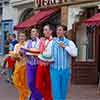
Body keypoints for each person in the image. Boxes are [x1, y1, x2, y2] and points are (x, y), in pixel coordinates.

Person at [50, 25, 77, 100]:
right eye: (57, 30)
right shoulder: (52, 42)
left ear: (64, 31)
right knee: (56, 91)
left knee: (63, 91)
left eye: (60, 30)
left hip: (65, 70)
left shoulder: (69, 42)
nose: (58, 32)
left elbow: (75, 54)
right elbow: (47, 54)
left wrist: (65, 47)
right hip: (54, 70)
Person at [24, 28, 43, 100]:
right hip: (29, 65)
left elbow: (42, 52)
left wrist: (36, 53)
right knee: (30, 83)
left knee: (37, 83)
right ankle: (39, 97)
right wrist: (23, 52)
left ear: (37, 34)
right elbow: (25, 51)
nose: (32, 33)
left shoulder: (41, 42)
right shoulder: (28, 42)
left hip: (38, 65)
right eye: (31, 32)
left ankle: (34, 98)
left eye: (33, 31)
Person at [36, 24, 53, 100]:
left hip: (49, 65)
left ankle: (48, 98)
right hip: (40, 64)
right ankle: (45, 97)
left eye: (46, 30)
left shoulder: (54, 41)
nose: (44, 32)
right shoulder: (41, 40)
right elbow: (37, 51)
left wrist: (49, 61)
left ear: (51, 31)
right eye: (43, 30)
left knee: (48, 84)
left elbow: (54, 54)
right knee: (39, 84)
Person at [11, 32, 30, 100]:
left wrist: (23, 54)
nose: (21, 38)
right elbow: (14, 56)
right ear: (18, 37)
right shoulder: (16, 45)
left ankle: (22, 98)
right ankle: (27, 93)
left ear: (25, 37)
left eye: (23, 36)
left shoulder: (27, 45)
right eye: (20, 36)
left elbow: (28, 56)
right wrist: (13, 57)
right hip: (17, 66)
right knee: (15, 81)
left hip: (24, 66)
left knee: (24, 83)